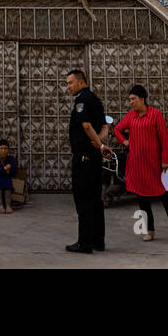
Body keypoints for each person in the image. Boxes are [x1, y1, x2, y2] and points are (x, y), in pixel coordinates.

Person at [112, 84, 168, 246]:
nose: (130, 102)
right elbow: (117, 129)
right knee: (142, 198)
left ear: (142, 99)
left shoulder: (155, 115)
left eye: (133, 99)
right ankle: (149, 230)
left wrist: (165, 159)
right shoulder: (131, 116)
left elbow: (164, 139)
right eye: (129, 99)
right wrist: (124, 141)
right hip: (137, 165)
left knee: (165, 198)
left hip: (154, 165)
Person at [64, 69, 110, 254]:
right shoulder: (95, 99)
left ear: (81, 82)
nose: (68, 87)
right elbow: (105, 126)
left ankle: (84, 243)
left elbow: (86, 125)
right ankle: (98, 241)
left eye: (70, 83)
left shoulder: (82, 100)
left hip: (83, 158)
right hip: (94, 159)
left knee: (83, 201)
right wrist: (100, 143)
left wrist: (97, 145)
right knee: (95, 200)